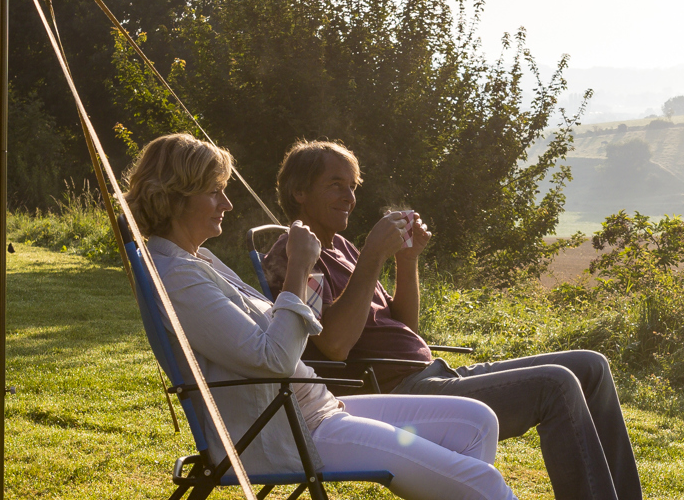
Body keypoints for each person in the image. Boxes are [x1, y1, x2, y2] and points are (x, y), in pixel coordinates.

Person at [127, 133, 515, 500]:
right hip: (288, 430)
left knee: (476, 422)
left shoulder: (197, 259)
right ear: (175, 197)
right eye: (215, 192)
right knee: (484, 483)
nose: (227, 204)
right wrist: (297, 267)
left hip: (314, 407)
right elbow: (274, 359)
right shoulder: (177, 277)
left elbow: (302, 330)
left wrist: (309, 273)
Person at [263, 140, 644, 500]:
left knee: (591, 365)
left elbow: (404, 328)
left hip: (432, 373)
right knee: (555, 384)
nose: (349, 197)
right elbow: (333, 345)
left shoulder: (342, 246)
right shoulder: (297, 254)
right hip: (396, 393)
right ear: (300, 191)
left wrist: (406, 259)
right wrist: (373, 256)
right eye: (336, 185)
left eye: (353, 186)